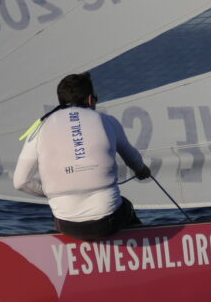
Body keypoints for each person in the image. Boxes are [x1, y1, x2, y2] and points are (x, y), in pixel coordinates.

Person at [12, 72, 152, 239]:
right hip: (108, 221)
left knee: (60, 213)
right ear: (90, 99)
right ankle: (141, 252)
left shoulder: (38, 129)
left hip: (66, 225)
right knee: (126, 206)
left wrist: (52, 192)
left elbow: (20, 182)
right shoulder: (107, 121)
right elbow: (133, 159)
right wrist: (142, 171)